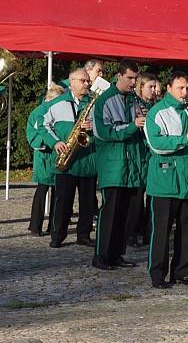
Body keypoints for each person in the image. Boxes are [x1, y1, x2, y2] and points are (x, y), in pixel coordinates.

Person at [145, 72, 188, 288]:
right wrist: (185, 138)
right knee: (161, 231)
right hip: (165, 181)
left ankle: (182, 271)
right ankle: (157, 274)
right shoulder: (157, 112)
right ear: (169, 87)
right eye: (180, 88)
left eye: (187, 88)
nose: (184, 92)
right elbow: (156, 144)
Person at [91, 60, 145, 270]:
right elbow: (104, 132)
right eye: (130, 78)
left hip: (131, 166)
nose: (133, 83)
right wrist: (132, 126)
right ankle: (101, 255)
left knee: (126, 214)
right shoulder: (105, 100)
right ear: (119, 76)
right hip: (113, 166)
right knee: (110, 212)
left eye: (135, 78)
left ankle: (117, 254)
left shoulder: (133, 99)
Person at [43, 69, 97, 249]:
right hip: (66, 160)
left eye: (88, 81)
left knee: (88, 202)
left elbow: (103, 128)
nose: (87, 84)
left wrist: (93, 127)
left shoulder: (94, 103)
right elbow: (43, 126)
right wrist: (55, 142)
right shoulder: (57, 103)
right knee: (63, 201)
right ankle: (57, 235)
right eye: (83, 81)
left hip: (87, 161)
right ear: (71, 82)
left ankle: (84, 235)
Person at [26, 84, 65, 236]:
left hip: (58, 154)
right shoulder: (38, 113)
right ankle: (35, 226)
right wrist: (49, 142)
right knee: (42, 190)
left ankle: (54, 226)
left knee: (58, 192)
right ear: (48, 99)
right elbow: (33, 134)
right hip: (44, 156)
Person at [126, 72, 158, 246]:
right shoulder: (135, 103)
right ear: (141, 87)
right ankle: (131, 233)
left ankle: (147, 232)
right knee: (136, 197)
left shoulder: (152, 105)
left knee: (150, 195)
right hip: (138, 153)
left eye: (154, 87)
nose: (153, 90)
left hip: (149, 154)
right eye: (150, 87)